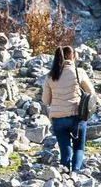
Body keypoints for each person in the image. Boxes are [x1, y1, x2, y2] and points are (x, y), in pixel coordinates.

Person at [41, 44, 97, 172]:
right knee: (79, 148)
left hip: (58, 118)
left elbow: (45, 101)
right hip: (76, 117)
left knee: (65, 152)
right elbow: (91, 93)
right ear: (73, 56)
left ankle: (64, 177)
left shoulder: (51, 75)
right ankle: (76, 173)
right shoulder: (79, 72)